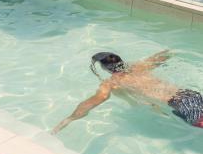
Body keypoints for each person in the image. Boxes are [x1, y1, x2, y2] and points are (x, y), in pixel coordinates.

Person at [52, 50, 203, 134]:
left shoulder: (112, 82)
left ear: (105, 68)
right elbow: (164, 55)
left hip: (181, 104)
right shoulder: (139, 66)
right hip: (191, 94)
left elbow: (93, 101)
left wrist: (70, 118)